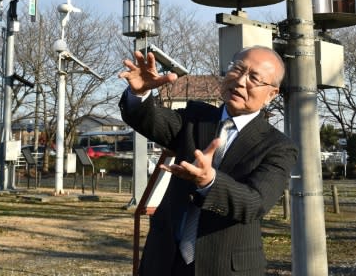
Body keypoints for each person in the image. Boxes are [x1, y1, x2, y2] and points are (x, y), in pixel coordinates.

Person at [118, 45, 298, 275]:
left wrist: (210, 182)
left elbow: (255, 204)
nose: (241, 81)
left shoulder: (278, 146)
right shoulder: (196, 117)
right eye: (237, 70)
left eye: (254, 78)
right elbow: (152, 122)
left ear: (271, 94)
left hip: (225, 267)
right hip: (163, 260)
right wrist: (140, 95)